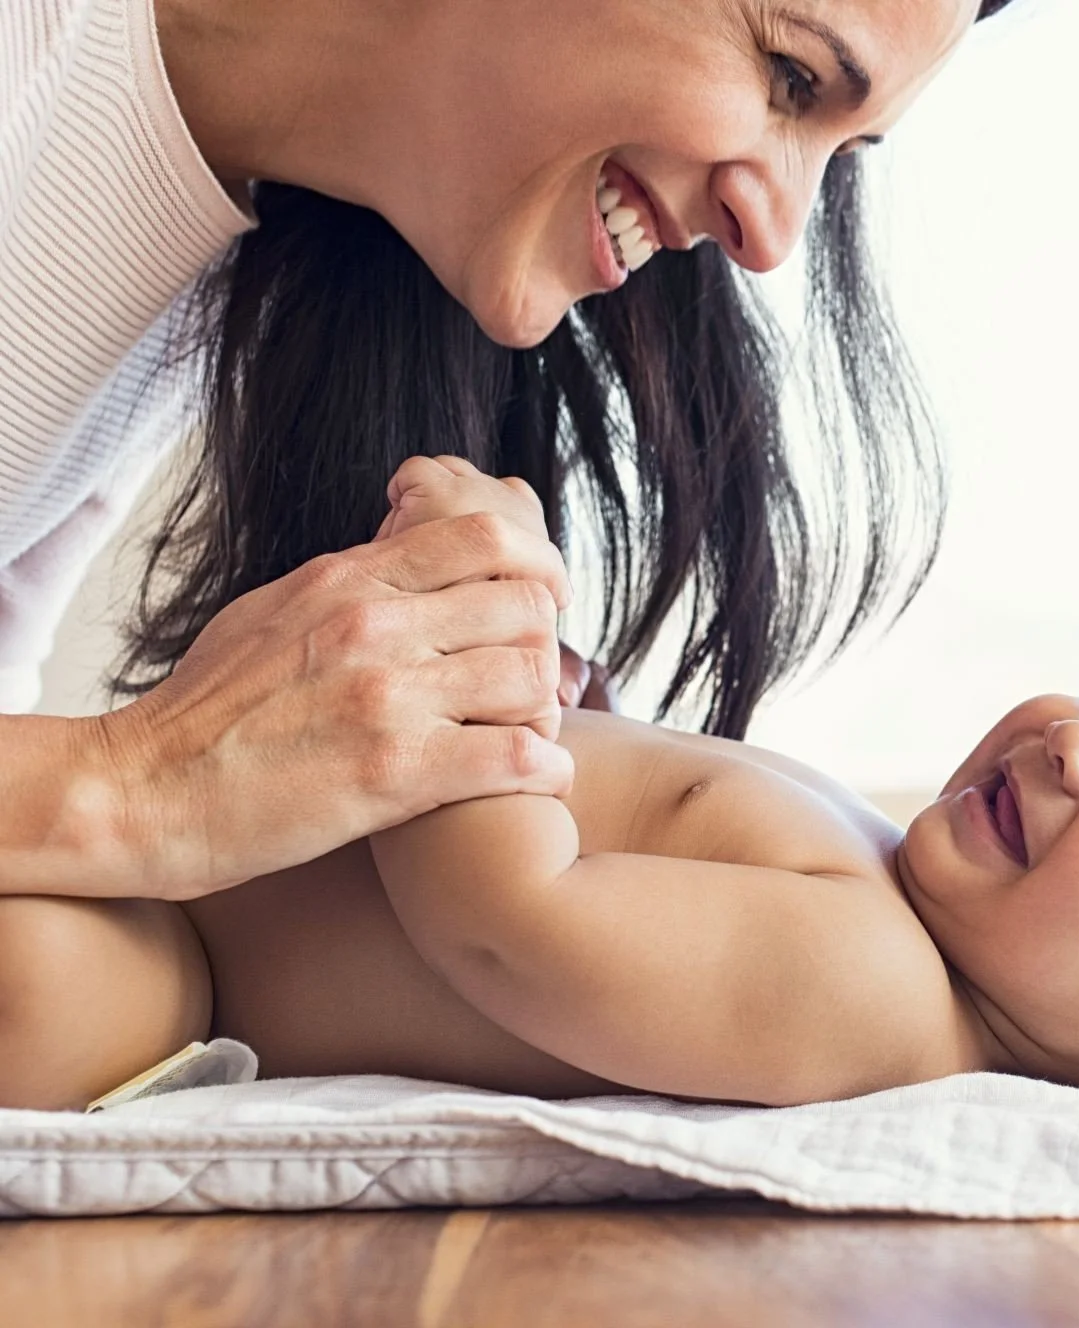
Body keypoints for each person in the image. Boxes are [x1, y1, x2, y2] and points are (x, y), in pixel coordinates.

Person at [0, 464, 1079, 1113]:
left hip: (186, 971)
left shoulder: (874, 993)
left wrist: (479, 632)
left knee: (37, 978)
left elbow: (510, 925)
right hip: (197, 868)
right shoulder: (885, 892)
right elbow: (637, 825)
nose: (1076, 745)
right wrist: (593, 722)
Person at [0, 0, 1009, 903]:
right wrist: (144, 782)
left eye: (843, 151)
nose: (774, 237)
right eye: (790, 77)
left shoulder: (198, 247)